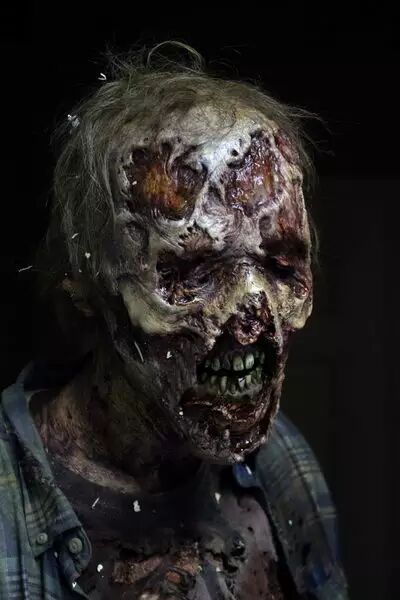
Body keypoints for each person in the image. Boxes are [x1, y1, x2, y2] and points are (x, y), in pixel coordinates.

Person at [0, 44, 349, 599]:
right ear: (87, 287)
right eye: (194, 272)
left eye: (281, 266)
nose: (254, 319)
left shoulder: (282, 460)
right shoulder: (9, 509)